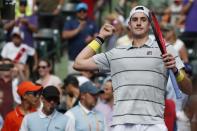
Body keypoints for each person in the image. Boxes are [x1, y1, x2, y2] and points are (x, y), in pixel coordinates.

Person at [73, 5, 192, 131]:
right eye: (135, 20)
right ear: (129, 25)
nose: (139, 23)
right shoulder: (116, 53)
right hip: (121, 124)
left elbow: (188, 89)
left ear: (149, 24)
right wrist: (100, 38)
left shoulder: (167, 50)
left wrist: (175, 70)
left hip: (153, 124)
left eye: (143, 19)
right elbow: (78, 63)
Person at [62, 2, 98, 74]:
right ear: (76, 12)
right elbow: (64, 35)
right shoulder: (70, 23)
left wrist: (91, 39)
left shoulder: (92, 23)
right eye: (80, 11)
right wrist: (78, 30)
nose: (82, 13)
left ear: (86, 12)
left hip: (89, 60)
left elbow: (98, 37)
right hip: (73, 59)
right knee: (73, 81)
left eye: (84, 11)